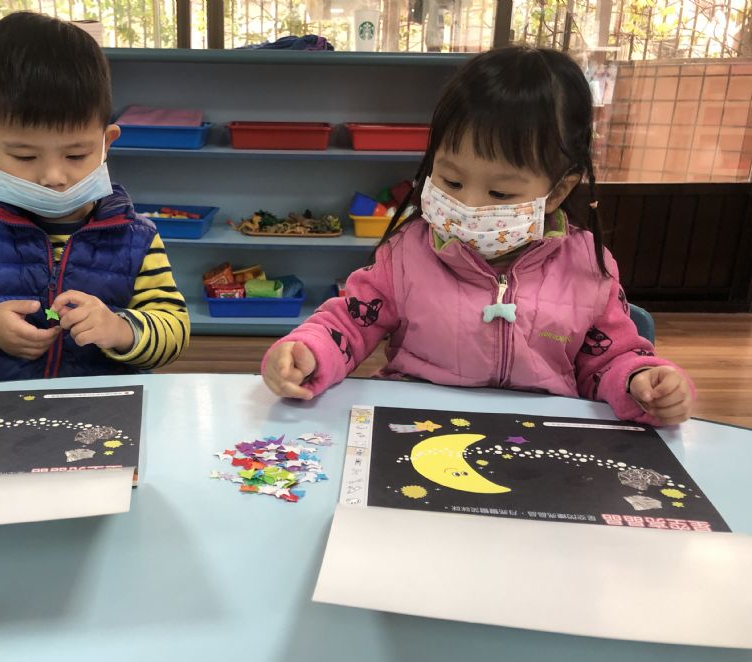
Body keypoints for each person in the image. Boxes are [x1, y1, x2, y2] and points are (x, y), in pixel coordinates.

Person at [262, 46, 693, 426]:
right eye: (450, 181)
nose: (468, 204)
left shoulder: (587, 268)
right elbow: (349, 323)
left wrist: (642, 381)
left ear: (559, 190)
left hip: (536, 446)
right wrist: (307, 350)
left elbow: (611, 360)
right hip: (414, 426)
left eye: (500, 193)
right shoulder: (407, 252)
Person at [0, 12, 189, 385]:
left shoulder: (135, 235)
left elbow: (173, 327)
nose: (54, 177)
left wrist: (121, 329)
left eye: (76, 155)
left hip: (100, 406)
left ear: (106, 142)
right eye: (25, 157)